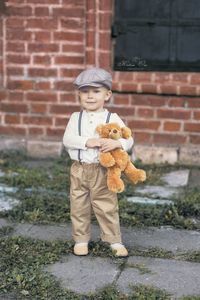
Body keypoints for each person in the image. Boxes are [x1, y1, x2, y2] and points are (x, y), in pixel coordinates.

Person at [63, 67, 133, 257]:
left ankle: (114, 240)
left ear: (107, 94)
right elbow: (67, 139)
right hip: (79, 170)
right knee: (79, 205)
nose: (90, 96)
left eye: (96, 91)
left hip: (103, 170)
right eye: (85, 92)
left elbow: (129, 139)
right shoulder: (75, 118)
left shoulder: (112, 118)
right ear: (79, 95)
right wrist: (87, 141)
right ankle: (81, 239)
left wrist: (116, 142)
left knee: (106, 205)